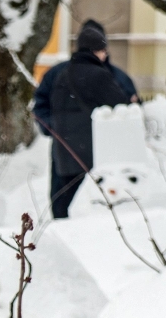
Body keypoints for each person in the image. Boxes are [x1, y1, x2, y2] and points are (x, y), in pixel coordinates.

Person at [33, 19, 138, 219]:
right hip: (97, 150)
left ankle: (59, 228)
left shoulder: (59, 73)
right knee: (93, 202)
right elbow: (124, 109)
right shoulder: (109, 76)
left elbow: (43, 105)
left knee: (61, 199)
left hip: (63, 146)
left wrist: (54, 128)